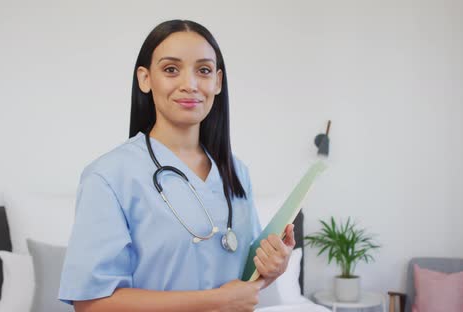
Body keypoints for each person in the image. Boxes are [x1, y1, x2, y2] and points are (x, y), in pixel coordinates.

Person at [58, 20, 296, 312]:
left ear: (218, 82)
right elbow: (91, 304)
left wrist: (273, 266)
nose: (190, 84)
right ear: (145, 79)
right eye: (171, 69)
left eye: (204, 70)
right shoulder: (109, 176)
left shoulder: (236, 171)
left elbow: (242, 281)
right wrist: (215, 302)